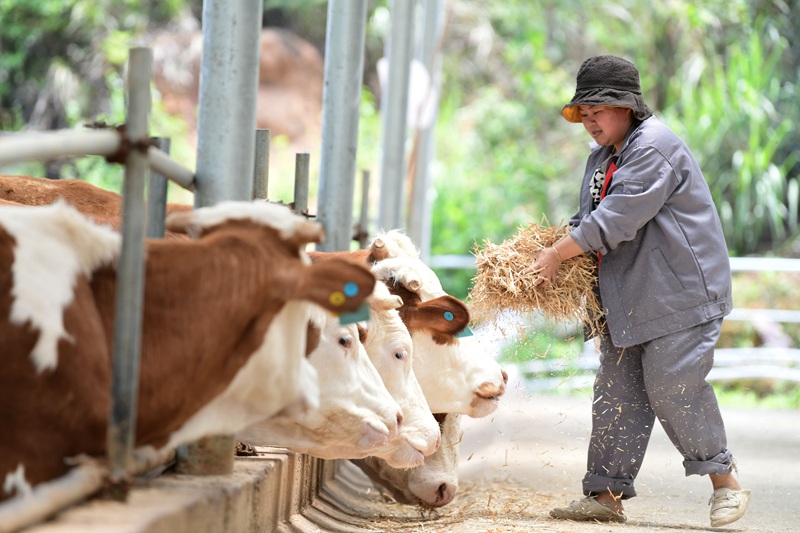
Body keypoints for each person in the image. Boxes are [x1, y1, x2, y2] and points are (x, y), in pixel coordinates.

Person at [529, 55, 751, 527]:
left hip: (680, 296)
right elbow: (588, 217)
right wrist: (555, 242)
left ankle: (725, 482)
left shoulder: (653, 147)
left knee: (674, 387)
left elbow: (616, 220)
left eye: (598, 111)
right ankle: (604, 495)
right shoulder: (604, 157)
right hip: (627, 299)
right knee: (616, 392)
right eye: (583, 114)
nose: (590, 122)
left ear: (627, 108)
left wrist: (555, 255)